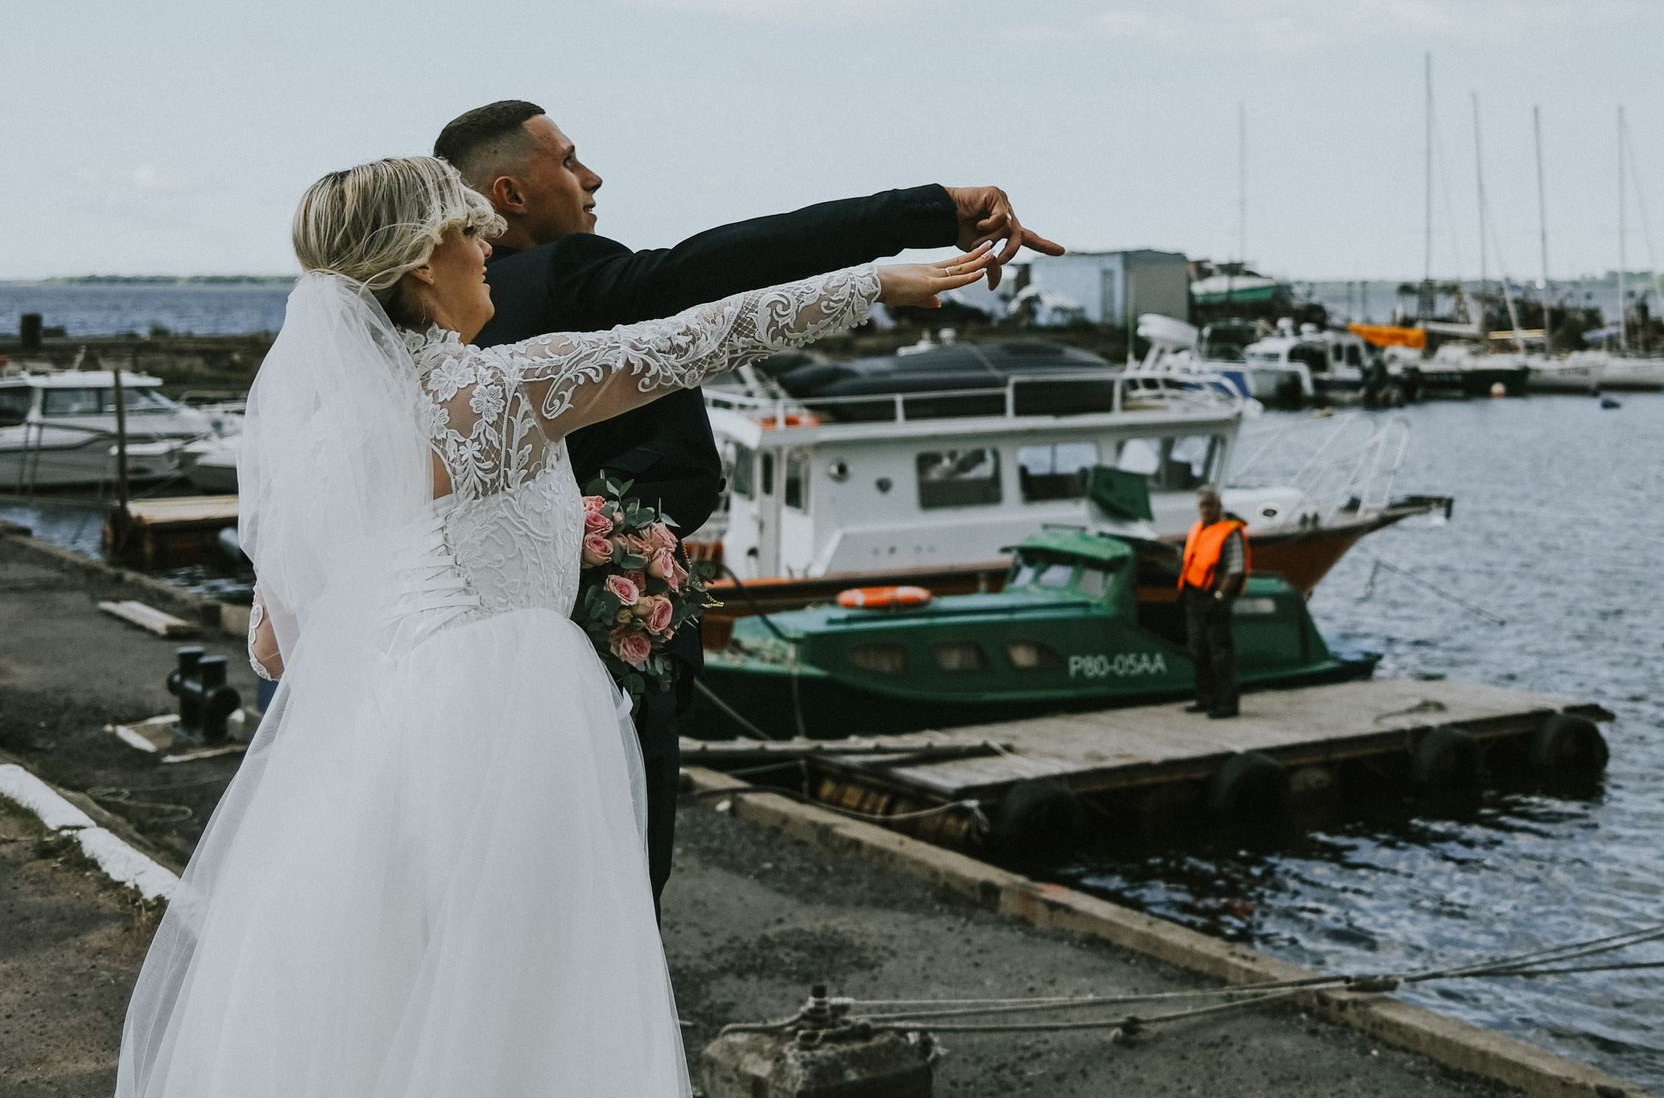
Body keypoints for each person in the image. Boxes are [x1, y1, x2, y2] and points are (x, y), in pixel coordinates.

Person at [117, 156, 995, 1097]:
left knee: (404, 1006)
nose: (488, 248)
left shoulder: (330, 442)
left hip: (382, 742)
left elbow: (272, 645)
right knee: (534, 1011)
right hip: (505, 717)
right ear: (422, 261)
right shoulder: (496, 390)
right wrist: (875, 282)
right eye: (468, 232)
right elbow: (689, 341)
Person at [431, 98, 1059, 905]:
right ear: (511, 193)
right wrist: (928, 211)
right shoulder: (571, 275)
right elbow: (721, 268)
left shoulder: (414, 333)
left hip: (458, 674)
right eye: (570, 159)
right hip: (604, 667)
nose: (592, 177)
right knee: (610, 905)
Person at [1179, 487, 1248, 719]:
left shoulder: (1230, 532)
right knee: (1198, 649)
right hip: (1195, 595)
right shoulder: (1198, 529)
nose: (1206, 510)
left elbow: (1235, 570)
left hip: (1216, 597)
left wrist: (1219, 597)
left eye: (1210, 505)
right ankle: (1205, 698)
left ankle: (1228, 703)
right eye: (1203, 506)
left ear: (1219, 507)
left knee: (1219, 651)